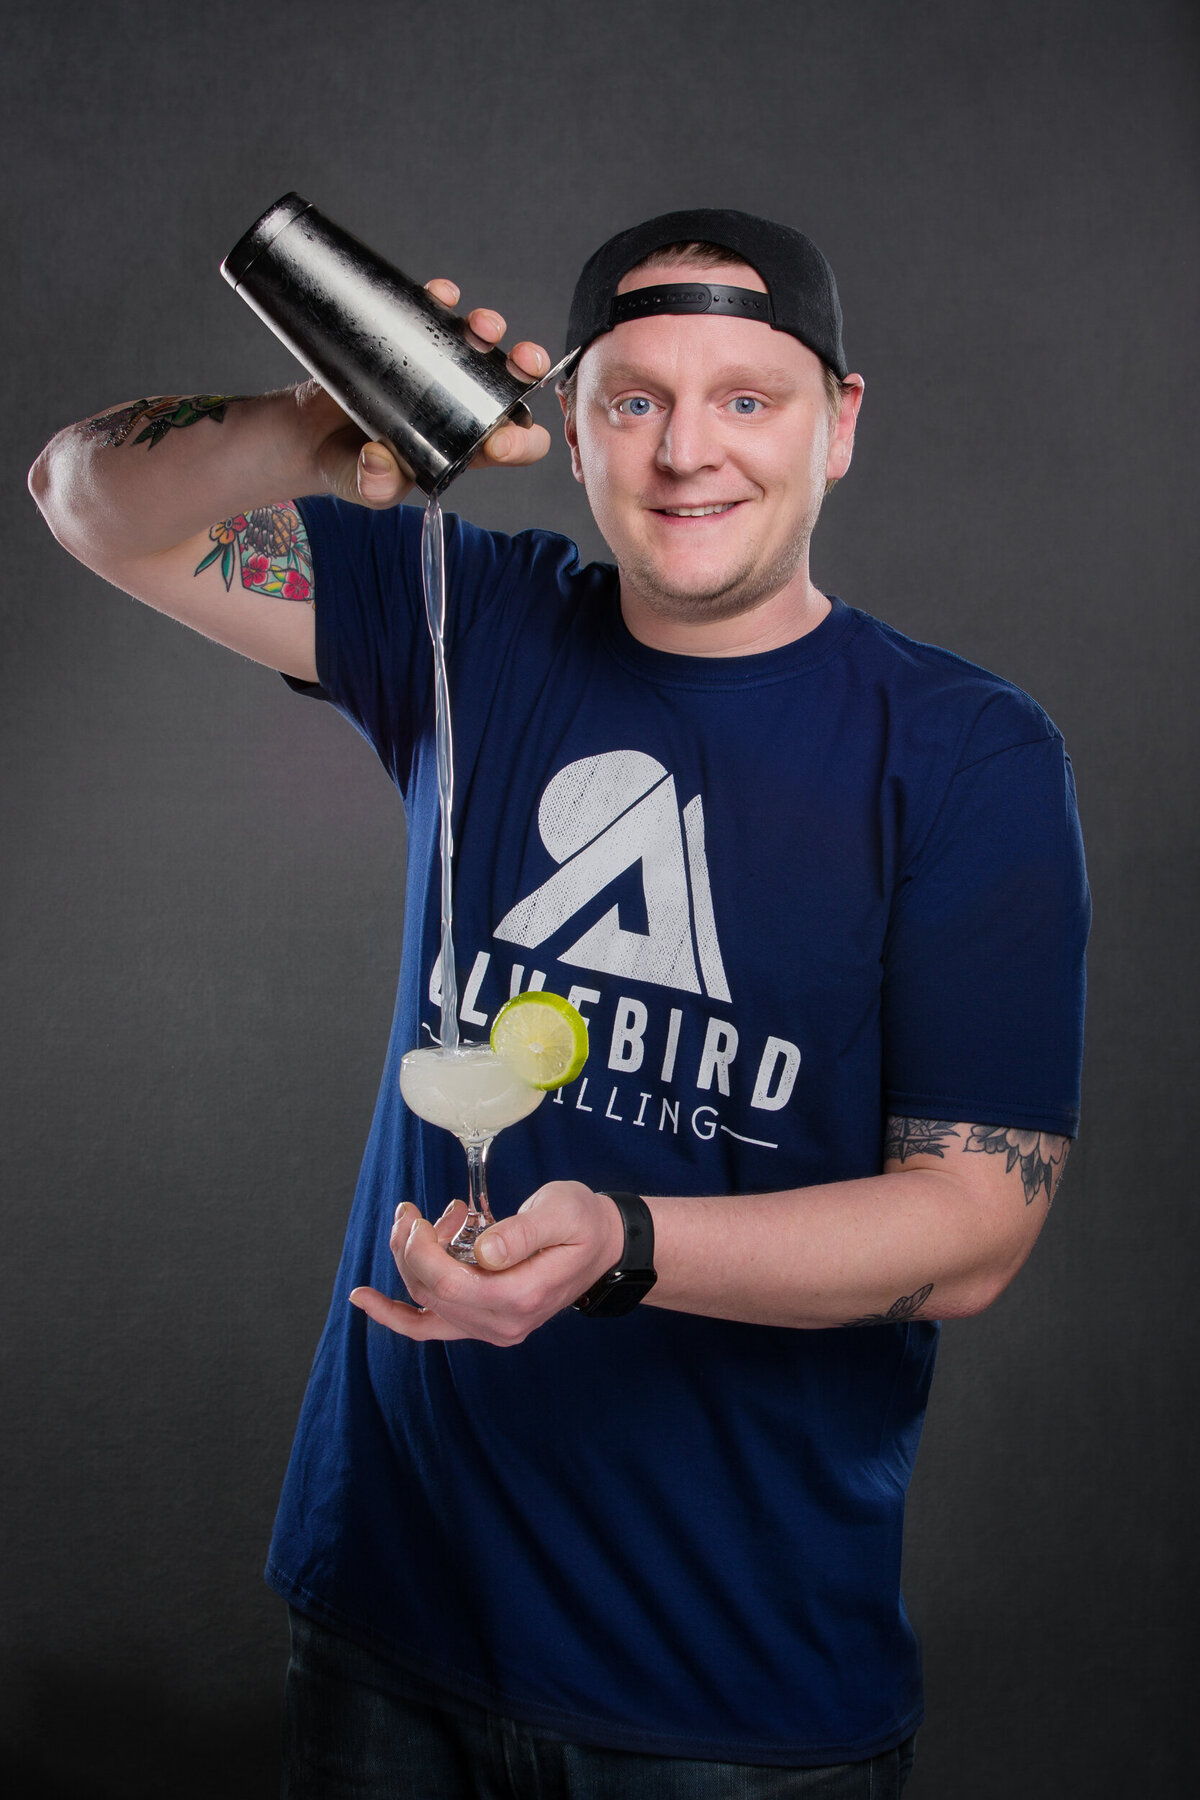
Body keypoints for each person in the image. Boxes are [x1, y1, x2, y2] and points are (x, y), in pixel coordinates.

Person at [29, 208, 1089, 1798]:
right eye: (635, 398)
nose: (685, 453)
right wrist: (317, 430)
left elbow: (974, 1228)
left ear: (841, 424)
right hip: (388, 1616)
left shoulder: (963, 755)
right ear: (574, 423)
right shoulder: (478, 625)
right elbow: (84, 498)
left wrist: (623, 1242)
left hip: (726, 1692)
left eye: (748, 397)